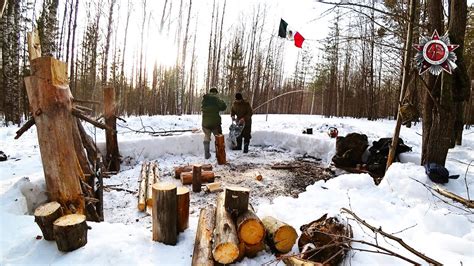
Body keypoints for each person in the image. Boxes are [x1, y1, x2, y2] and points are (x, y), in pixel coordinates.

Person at [201, 87, 227, 159]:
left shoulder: (205, 99)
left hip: (205, 123)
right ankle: (219, 154)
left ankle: (207, 155)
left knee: (207, 137)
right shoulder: (216, 99)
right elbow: (223, 107)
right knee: (218, 138)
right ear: (216, 93)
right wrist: (221, 101)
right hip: (215, 123)